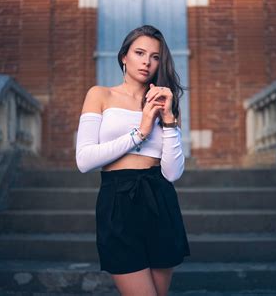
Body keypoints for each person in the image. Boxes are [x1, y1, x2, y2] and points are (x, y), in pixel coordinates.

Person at [75, 24, 191, 296]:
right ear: (124, 56)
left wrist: (169, 120)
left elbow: (173, 173)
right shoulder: (100, 95)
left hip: (160, 196)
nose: (146, 62)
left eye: (155, 57)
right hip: (118, 197)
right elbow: (84, 159)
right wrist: (140, 132)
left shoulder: (164, 102)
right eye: (139, 53)